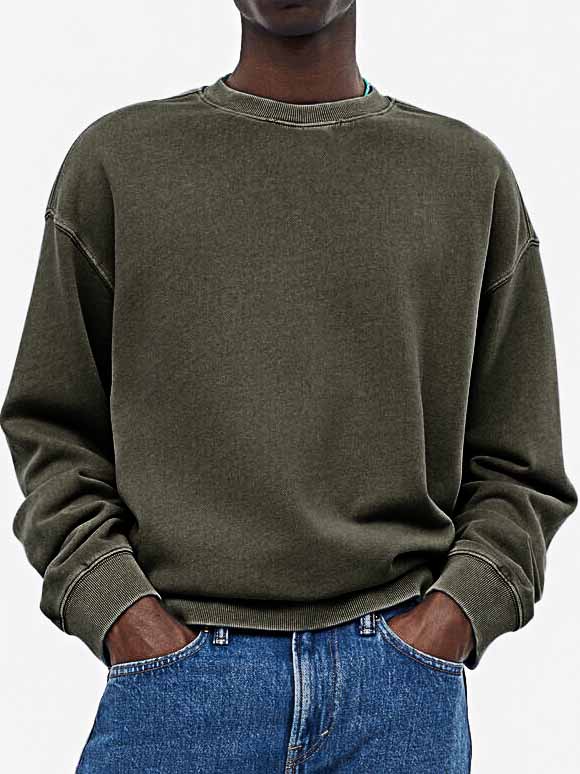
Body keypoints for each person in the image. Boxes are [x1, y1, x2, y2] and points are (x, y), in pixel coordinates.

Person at [1, 1, 576, 772]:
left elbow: (519, 463)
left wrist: (455, 615)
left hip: (398, 687)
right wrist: (121, 611)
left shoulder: (467, 177)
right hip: (177, 686)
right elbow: (51, 427)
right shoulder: (119, 163)